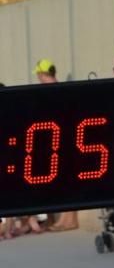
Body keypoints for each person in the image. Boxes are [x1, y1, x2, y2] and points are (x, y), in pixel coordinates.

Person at [36, 59, 77, 233]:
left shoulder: (54, 90)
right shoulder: (58, 89)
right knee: (65, 181)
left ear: (42, 74)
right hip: (59, 136)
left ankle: (69, 220)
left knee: (67, 179)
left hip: (62, 138)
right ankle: (65, 218)